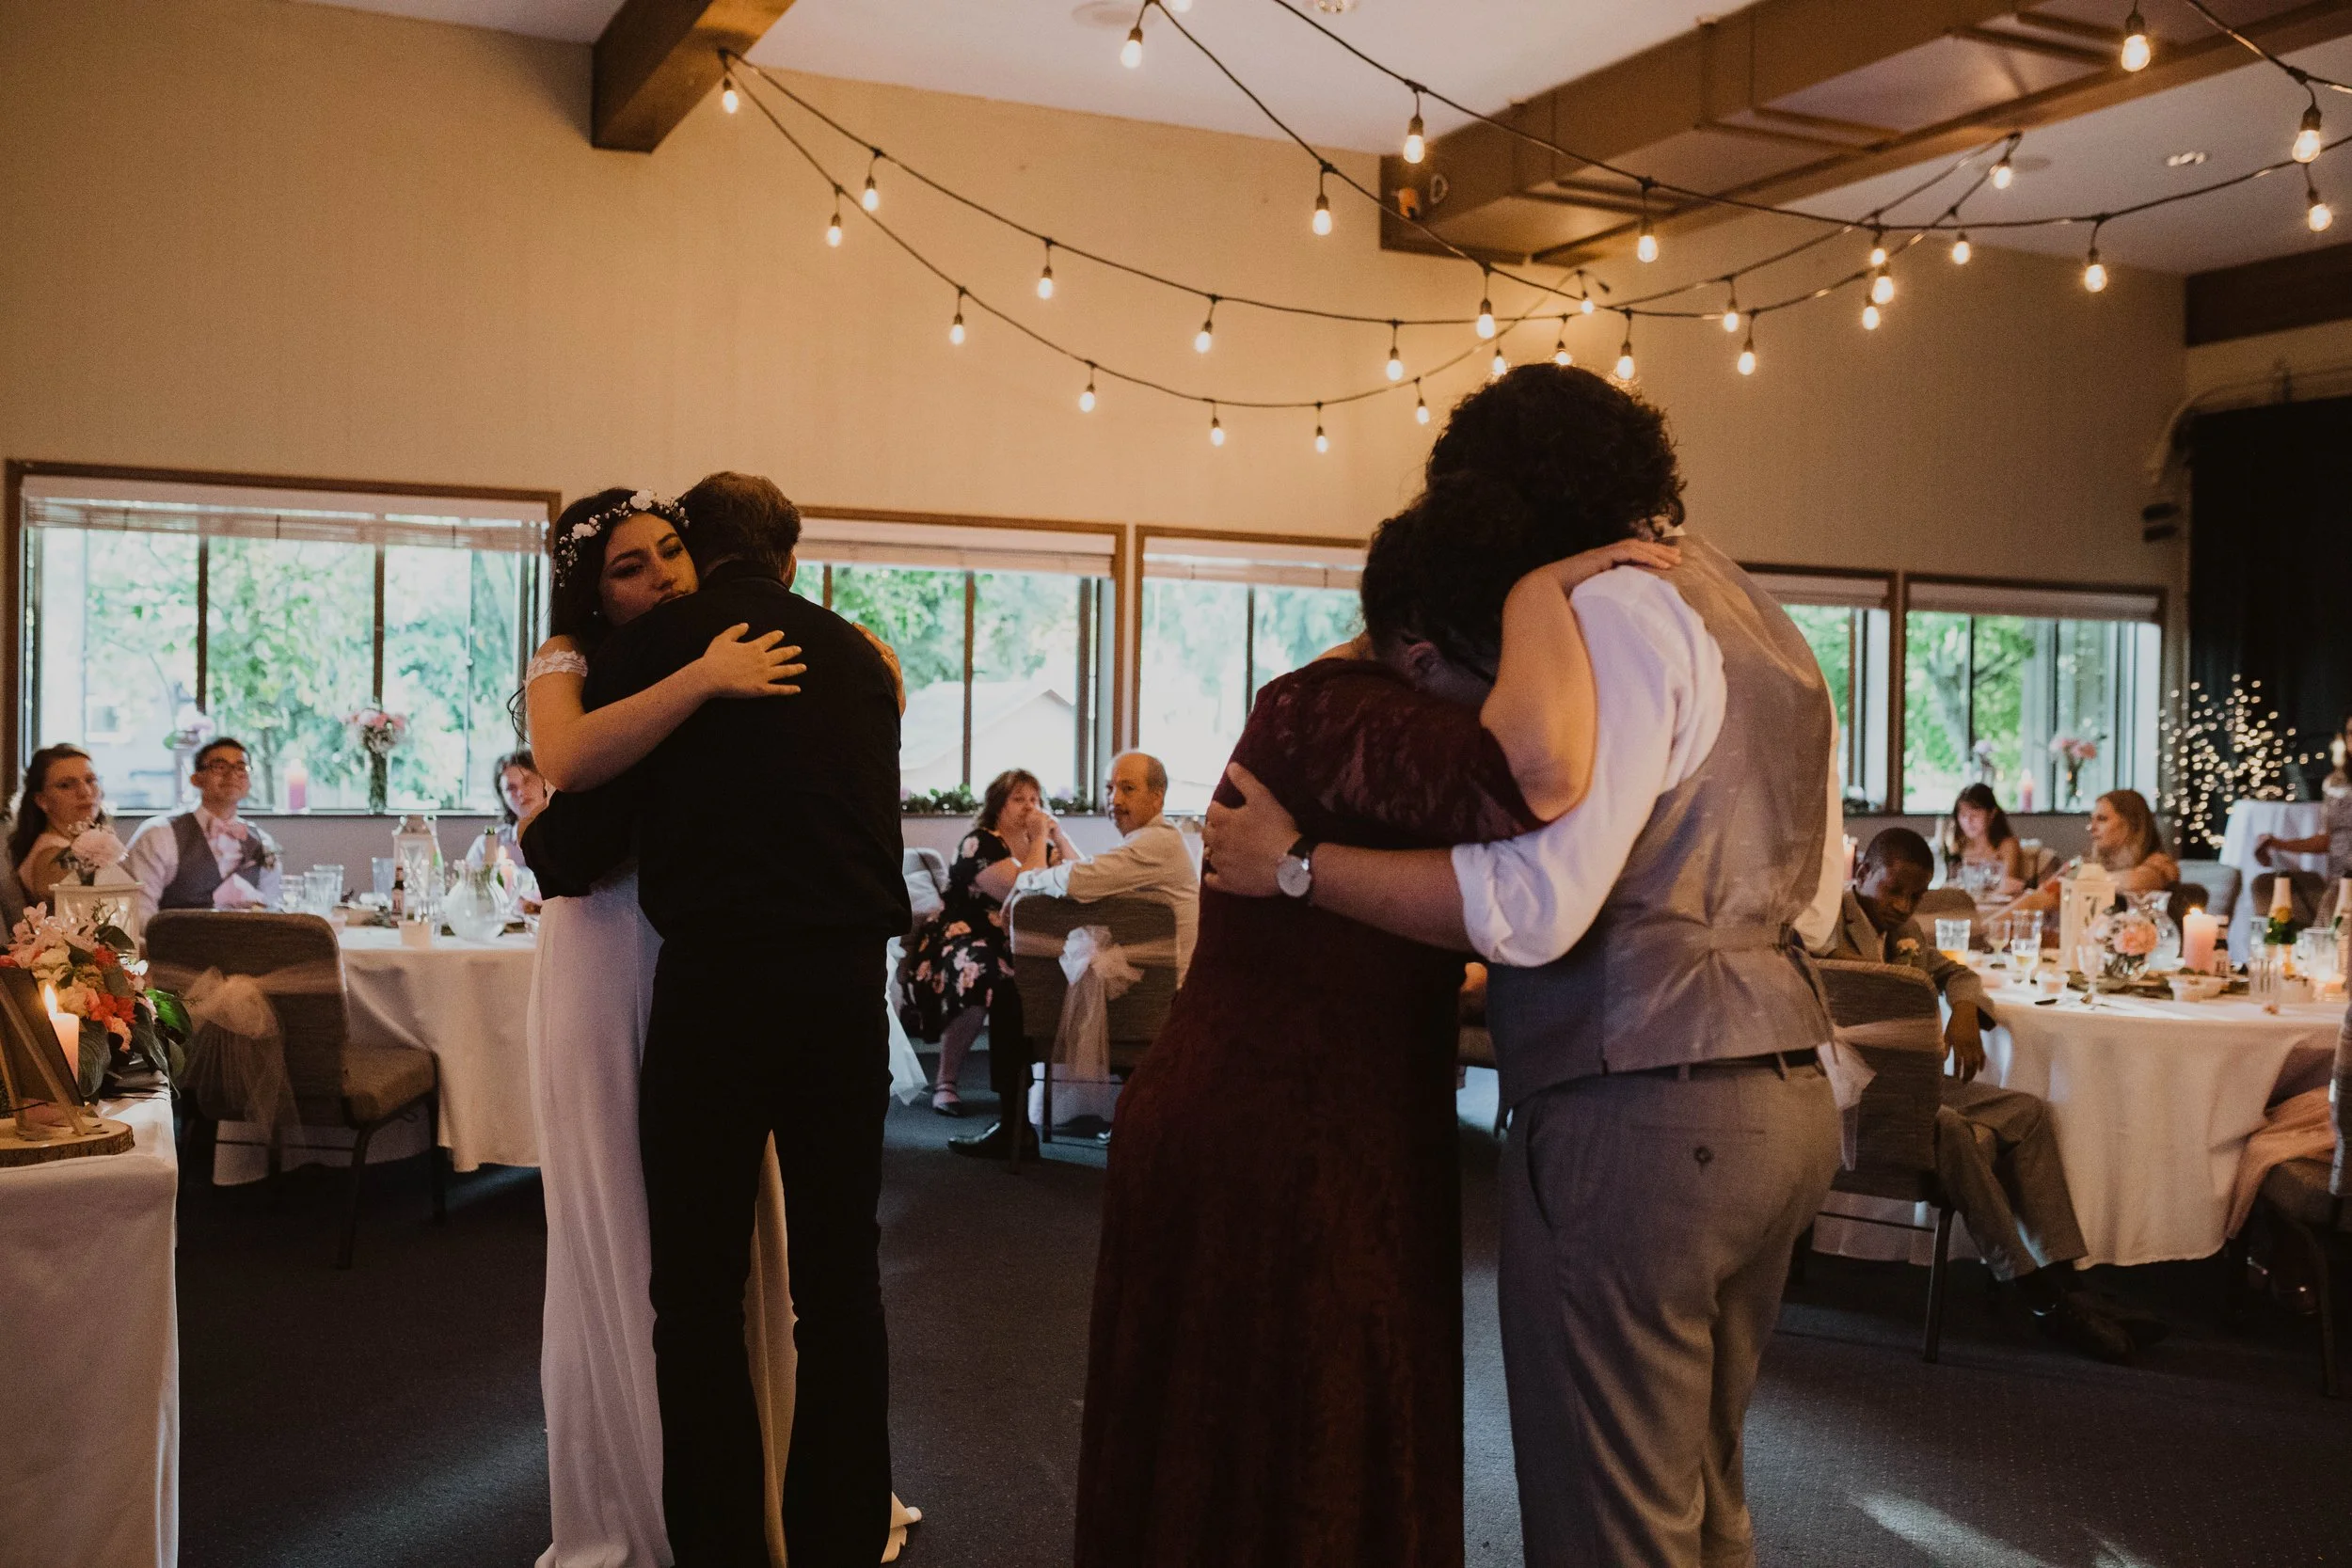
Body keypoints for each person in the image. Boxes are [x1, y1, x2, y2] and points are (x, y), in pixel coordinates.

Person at [1202, 364, 1844, 1568]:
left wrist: (1296, 865)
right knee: (1710, 1501)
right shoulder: (1758, 614)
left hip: (1644, 1113)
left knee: (1611, 1523)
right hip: (1789, 1095)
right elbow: (1818, 884)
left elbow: (1536, 903)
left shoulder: (1609, 612)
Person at [1074, 469, 1676, 1568]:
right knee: (1311, 1432)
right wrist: (1549, 585)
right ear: (1423, 654)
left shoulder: (1326, 705)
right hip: (1281, 1134)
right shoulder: (1342, 710)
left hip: (1293, 1118)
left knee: (1250, 1442)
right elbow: (1537, 772)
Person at [522, 472, 911, 1568]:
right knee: (842, 1279)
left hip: (718, 990)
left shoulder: (655, 651)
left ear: (699, 547)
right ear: (792, 550)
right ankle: (836, 1536)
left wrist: (543, 841)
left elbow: (573, 843)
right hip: (844, 989)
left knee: (695, 1293)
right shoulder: (857, 655)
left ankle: (724, 1547)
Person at [1824, 829, 2149, 1363]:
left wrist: (1966, 1010)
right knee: (1956, 1129)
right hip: (1859, 1098)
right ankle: (2036, 1295)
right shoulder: (1829, 927)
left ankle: (2062, 1275)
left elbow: (1956, 971)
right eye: (1893, 890)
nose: (1903, 906)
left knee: (2027, 1110)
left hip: (1915, 1089)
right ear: (1859, 874)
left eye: (1915, 897)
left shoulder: (1903, 930)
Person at [951, 750, 1201, 1151]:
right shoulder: (1150, 844)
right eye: (1108, 788)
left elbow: (1079, 879)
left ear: (1159, 797)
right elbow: (1088, 879)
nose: (1114, 799)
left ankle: (1014, 1128)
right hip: (1150, 997)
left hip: (1154, 1006)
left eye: (1128, 788)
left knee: (1012, 1000)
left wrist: (1025, 884)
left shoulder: (1156, 844)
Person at [895, 768, 1073, 1129]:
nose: (1029, 807)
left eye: (1035, 800)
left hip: (1015, 941)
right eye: (1019, 799)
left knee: (1058, 972)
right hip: (960, 936)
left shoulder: (1043, 845)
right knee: (979, 975)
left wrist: (1059, 834)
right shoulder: (981, 843)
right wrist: (1041, 839)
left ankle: (1033, 1088)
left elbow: (1080, 874)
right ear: (998, 805)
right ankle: (946, 1081)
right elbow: (1024, 893)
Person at [121, 736, 284, 927]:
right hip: (175, 951)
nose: (232, 774)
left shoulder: (263, 844)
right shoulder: (159, 835)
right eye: (220, 766)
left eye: (241, 767)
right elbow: (137, 910)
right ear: (196, 778)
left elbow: (272, 911)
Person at [2000, 787, 2179, 926]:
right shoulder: (2089, 865)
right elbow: (2038, 899)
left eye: (2101, 819)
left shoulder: (2159, 864)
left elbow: (2135, 882)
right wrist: (1987, 928)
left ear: (2131, 824)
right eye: (2091, 819)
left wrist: (2080, 878)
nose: (2091, 827)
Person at [10, 745, 114, 905]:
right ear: (42, 800)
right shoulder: (51, 858)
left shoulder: (72, 846)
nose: (85, 792)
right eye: (66, 785)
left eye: (90, 780)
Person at [466, 749, 548, 875]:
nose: (521, 792)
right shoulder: (488, 845)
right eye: (511, 788)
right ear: (502, 797)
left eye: (528, 781)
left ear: (544, 782)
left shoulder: (568, 837)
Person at [1944, 781, 2028, 894]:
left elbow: (2009, 885)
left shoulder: (2007, 845)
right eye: (1963, 815)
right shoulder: (1958, 847)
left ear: (1992, 813)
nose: (1968, 821)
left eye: (1975, 815)